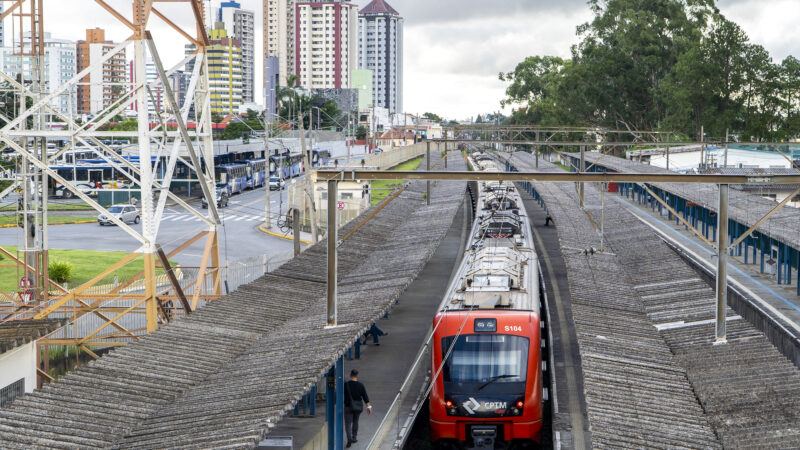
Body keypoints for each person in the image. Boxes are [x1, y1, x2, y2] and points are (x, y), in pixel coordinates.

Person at [343, 369, 371, 447]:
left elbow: (341, 395)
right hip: (358, 407)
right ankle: (354, 438)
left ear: (350, 375)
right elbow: (365, 397)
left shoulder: (346, 385)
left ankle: (349, 440)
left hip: (348, 407)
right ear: (357, 375)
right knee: (355, 422)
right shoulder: (361, 385)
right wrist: (369, 407)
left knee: (348, 424)